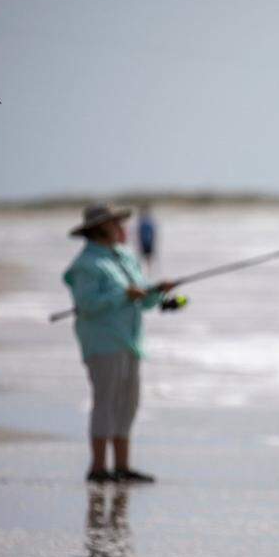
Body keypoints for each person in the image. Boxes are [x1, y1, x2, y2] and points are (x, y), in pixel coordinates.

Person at [63, 204, 175, 483]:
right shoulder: (86, 265)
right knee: (106, 403)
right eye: (116, 224)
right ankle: (99, 468)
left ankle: (122, 466)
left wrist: (157, 292)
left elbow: (144, 300)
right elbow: (87, 304)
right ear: (101, 229)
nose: (122, 229)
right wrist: (124, 294)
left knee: (128, 403)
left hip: (130, 340)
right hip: (102, 342)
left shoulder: (125, 257)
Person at [136, 203, 156, 271]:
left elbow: (153, 231)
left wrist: (153, 239)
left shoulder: (149, 220)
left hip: (149, 240)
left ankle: (149, 269)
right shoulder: (141, 220)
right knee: (142, 255)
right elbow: (139, 232)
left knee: (149, 256)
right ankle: (143, 269)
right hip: (143, 241)